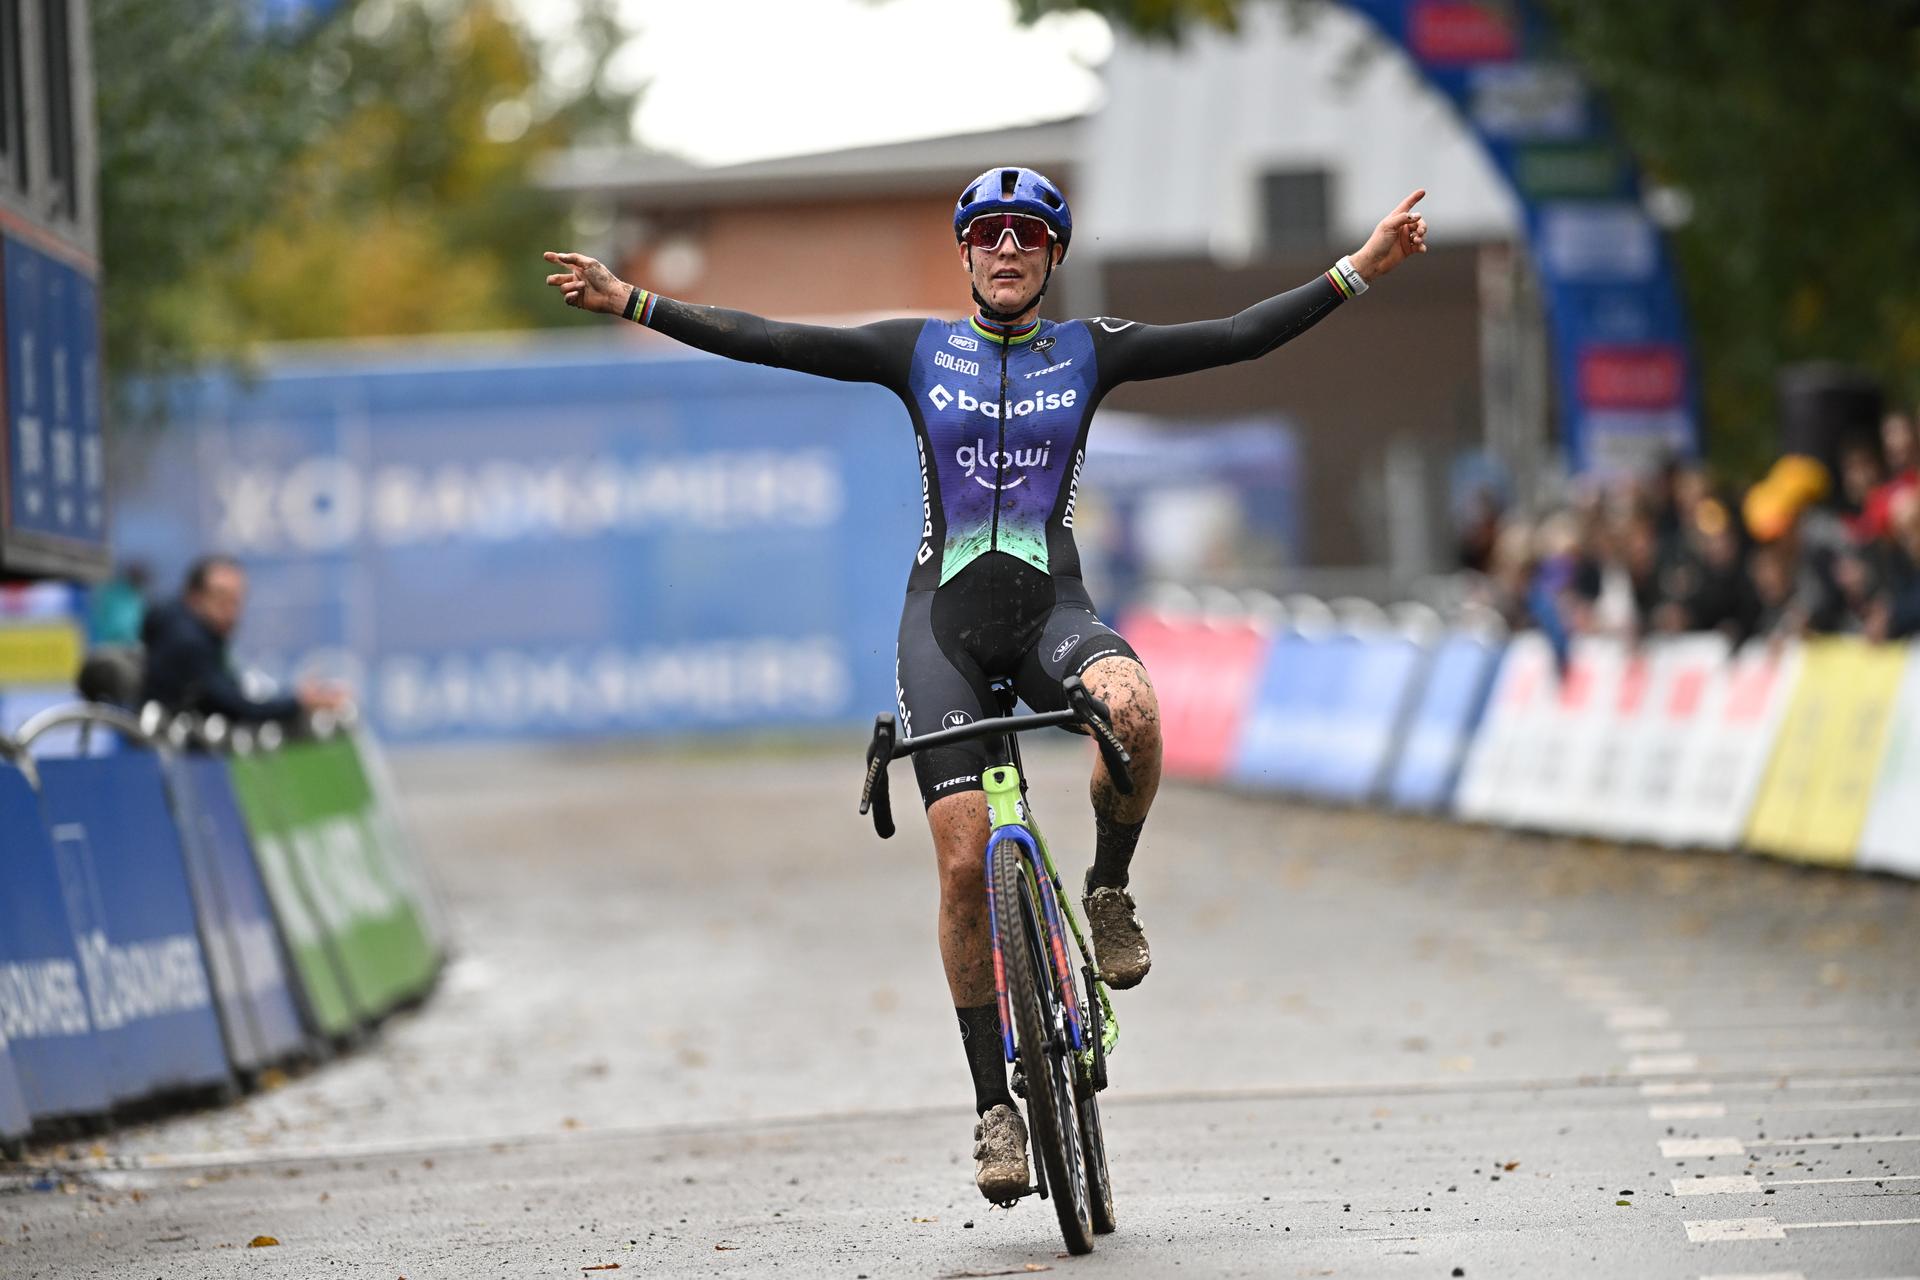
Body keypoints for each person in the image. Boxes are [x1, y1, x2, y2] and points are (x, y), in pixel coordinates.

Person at [544, 169, 1429, 1203]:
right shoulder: (913, 349)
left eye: (1028, 235)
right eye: (988, 234)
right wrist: (633, 301)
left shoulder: (1092, 348)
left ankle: (1106, 890)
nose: (1007, 249)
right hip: (947, 628)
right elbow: (771, 336)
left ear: (1051, 257)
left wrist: (1360, 270)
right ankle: (993, 1110)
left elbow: (1236, 334)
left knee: (1135, 712)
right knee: (964, 861)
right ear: (965, 254)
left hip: (1052, 611)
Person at [140, 555, 349, 725]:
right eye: (221, 598)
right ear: (194, 597)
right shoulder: (188, 641)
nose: (231, 611)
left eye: (236, 600)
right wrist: (299, 702)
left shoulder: (196, 632)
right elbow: (235, 706)